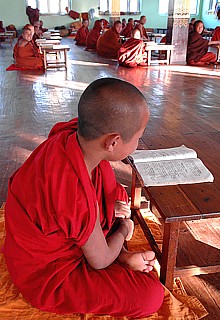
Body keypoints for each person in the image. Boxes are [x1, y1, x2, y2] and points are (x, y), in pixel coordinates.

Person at [3, 78, 164, 317]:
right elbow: (99, 262)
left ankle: (120, 255)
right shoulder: (72, 192)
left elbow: (102, 190)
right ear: (113, 142)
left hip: (67, 226)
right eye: (138, 137)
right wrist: (124, 228)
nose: (138, 143)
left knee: (114, 193)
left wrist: (110, 209)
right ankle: (118, 255)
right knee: (151, 296)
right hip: (48, 274)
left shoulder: (71, 134)